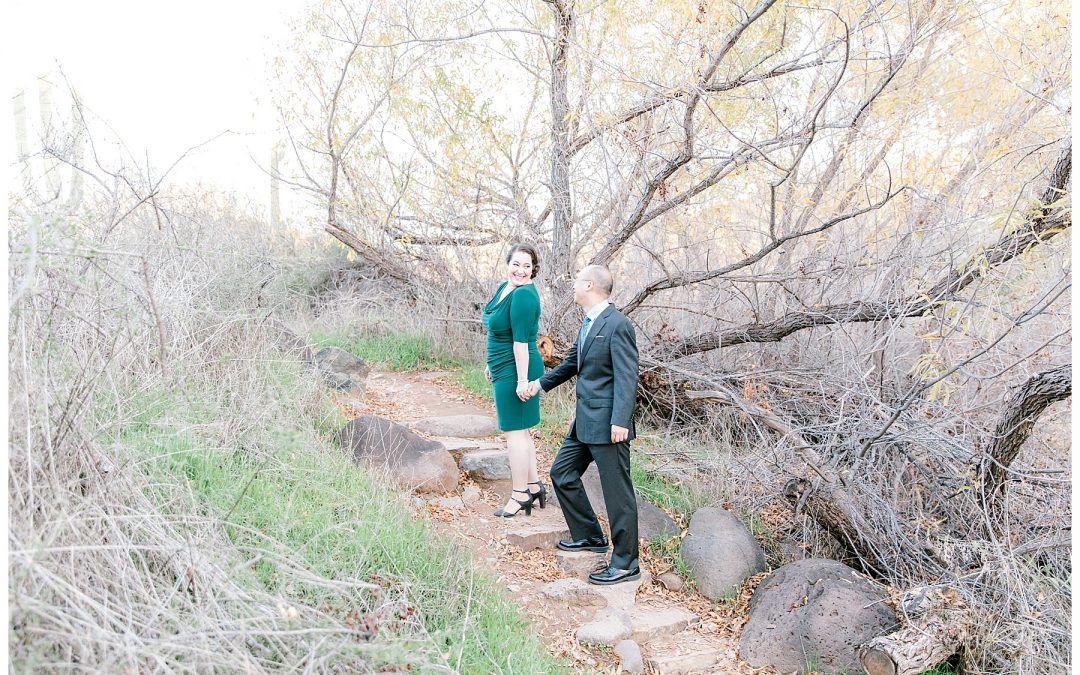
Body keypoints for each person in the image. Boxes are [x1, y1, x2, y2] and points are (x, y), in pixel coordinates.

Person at [526, 265, 641, 585]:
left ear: (589, 285)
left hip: (608, 425)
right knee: (562, 473)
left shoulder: (618, 325)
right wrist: (539, 385)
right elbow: (573, 363)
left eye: (577, 282)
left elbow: (627, 376)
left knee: (617, 494)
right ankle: (590, 535)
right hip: (584, 421)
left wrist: (621, 419)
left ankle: (626, 563)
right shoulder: (588, 322)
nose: (573, 286)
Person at [482, 243, 547, 518]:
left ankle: (520, 493)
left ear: (534, 270)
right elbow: (500, 333)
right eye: (516, 264)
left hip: (518, 367)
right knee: (521, 430)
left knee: (514, 433)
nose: (520, 270)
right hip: (503, 364)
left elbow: (520, 342)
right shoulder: (505, 287)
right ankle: (532, 486)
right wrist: (490, 362)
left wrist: (522, 381)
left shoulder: (523, 296)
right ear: (508, 263)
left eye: (526, 266)